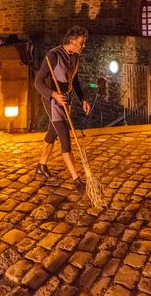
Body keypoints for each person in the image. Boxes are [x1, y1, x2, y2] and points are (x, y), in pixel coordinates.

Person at [34, 26, 91, 193]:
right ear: (73, 41)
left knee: (52, 133)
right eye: (82, 42)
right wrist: (53, 95)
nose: (83, 45)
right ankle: (77, 180)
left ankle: (41, 166)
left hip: (66, 102)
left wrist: (83, 99)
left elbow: (75, 81)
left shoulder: (74, 58)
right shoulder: (53, 55)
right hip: (52, 102)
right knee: (65, 136)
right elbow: (38, 82)